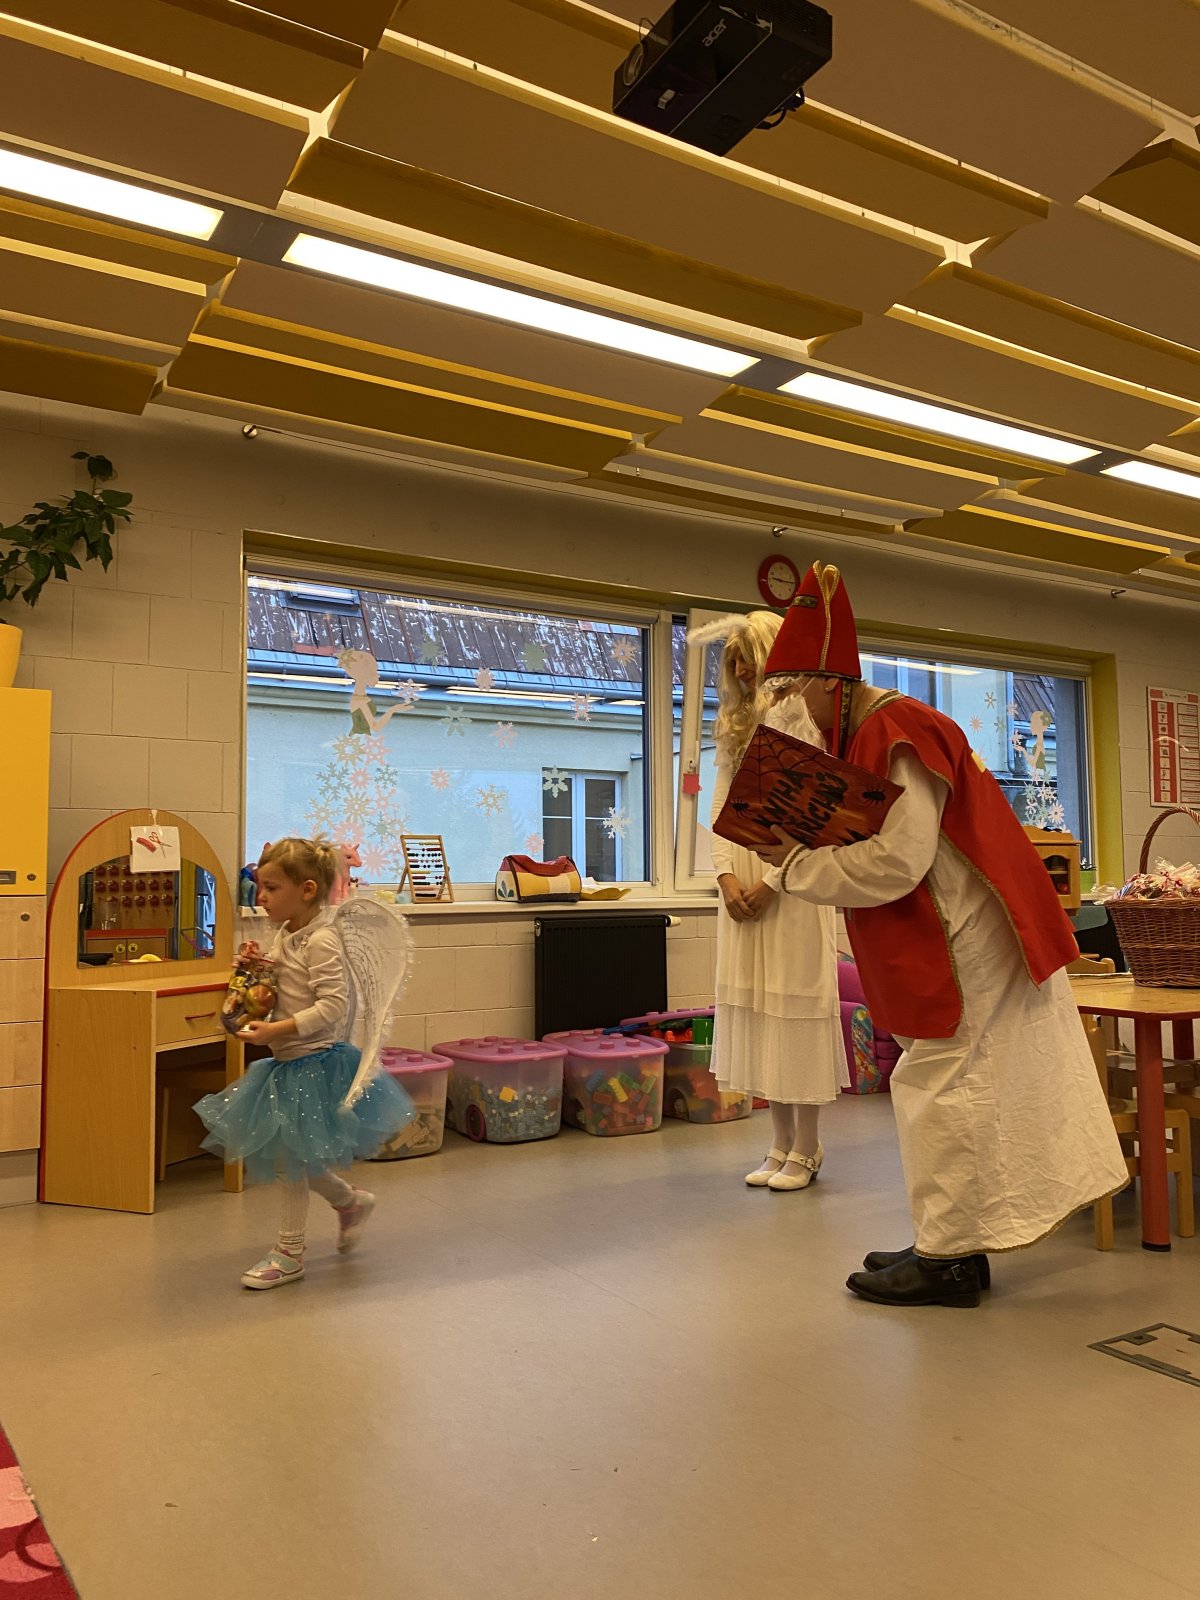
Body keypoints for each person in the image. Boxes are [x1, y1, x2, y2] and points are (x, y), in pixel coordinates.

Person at [757, 563, 1127, 1308]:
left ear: (828, 681)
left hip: (970, 939)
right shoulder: (872, 731)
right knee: (955, 1083)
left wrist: (795, 867)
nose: (786, 706)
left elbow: (898, 860)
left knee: (943, 1084)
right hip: (965, 930)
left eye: (790, 688)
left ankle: (948, 1257)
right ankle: (953, 1237)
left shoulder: (894, 729)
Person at [196, 837, 416, 1291]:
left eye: (272, 888)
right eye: (260, 887)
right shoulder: (287, 933)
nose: (261, 897)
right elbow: (284, 983)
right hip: (286, 1065)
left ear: (308, 890)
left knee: (291, 1165)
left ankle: (290, 1253)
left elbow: (333, 1006)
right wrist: (256, 966)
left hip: (313, 1066)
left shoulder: (321, 940)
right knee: (297, 1160)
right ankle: (350, 1202)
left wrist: (277, 1029)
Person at [691, 612, 847, 1191]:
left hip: (794, 881)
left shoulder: (804, 716)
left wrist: (775, 882)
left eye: (747, 656)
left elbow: (817, 811)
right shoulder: (733, 725)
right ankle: (779, 1143)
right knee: (760, 1012)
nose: (739, 669)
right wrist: (726, 876)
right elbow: (719, 808)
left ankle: (808, 1147)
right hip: (744, 879)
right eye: (732, 660)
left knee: (795, 1011)